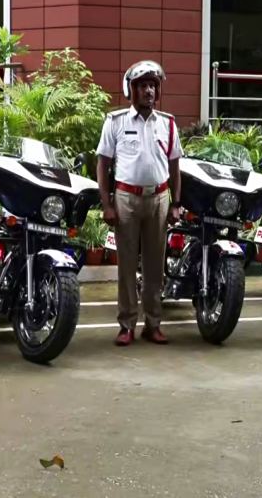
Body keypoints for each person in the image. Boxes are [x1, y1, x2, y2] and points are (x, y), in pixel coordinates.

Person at [96, 60, 182, 346]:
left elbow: (175, 167)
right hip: (126, 200)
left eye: (153, 86)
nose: (148, 91)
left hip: (158, 198)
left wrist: (175, 203)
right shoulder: (116, 121)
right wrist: (106, 204)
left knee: (155, 265)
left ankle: (153, 323)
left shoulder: (168, 123)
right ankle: (127, 324)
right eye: (143, 86)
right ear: (131, 90)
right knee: (127, 265)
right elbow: (103, 163)